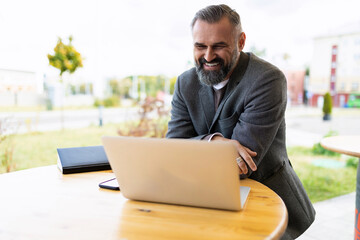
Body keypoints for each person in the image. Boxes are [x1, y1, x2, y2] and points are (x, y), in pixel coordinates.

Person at [166, 4, 315, 240]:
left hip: (268, 201)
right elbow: (173, 146)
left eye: (219, 46)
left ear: (241, 41)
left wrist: (193, 150)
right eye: (200, 46)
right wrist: (213, 141)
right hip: (207, 203)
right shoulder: (185, 83)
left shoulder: (268, 80)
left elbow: (240, 165)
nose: (207, 56)